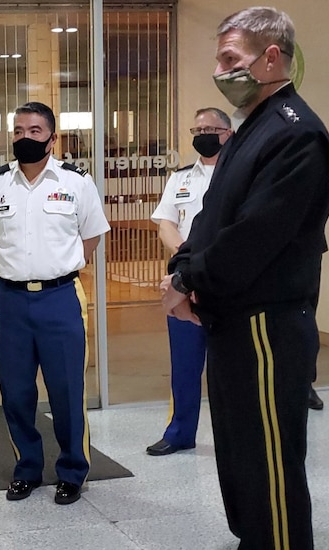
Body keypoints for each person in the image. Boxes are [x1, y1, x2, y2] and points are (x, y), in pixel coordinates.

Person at [161, 8, 329, 548]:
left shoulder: (296, 135)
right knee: (238, 449)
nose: (220, 70)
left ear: (272, 57)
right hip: (233, 318)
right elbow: (214, 217)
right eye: (219, 59)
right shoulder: (248, 130)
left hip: (267, 323)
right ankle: (252, 536)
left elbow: (254, 236)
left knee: (269, 459)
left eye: (230, 59)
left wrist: (192, 284)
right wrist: (183, 268)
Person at [0, 101, 110, 505]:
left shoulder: (76, 182)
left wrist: (59, 266)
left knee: (67, 390)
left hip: (61, 298)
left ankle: (72, 471)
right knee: (15, 392)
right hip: (11, 300)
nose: (24, 137)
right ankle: (26, 468)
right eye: (18, 131)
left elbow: (91, 236)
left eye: (34, 131)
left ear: (52, 137)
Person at [146, 107, 233, 456]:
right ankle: (180, 432)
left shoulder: (240, 173)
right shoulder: (181, 178)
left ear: (228, 133)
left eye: (210, 128)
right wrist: (186, 253)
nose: (203, 135)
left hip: (227, 281)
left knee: (230, 368)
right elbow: (165, 221)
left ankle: (236, 436)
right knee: (184, 364)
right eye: (197, 129)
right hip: (185, 281)